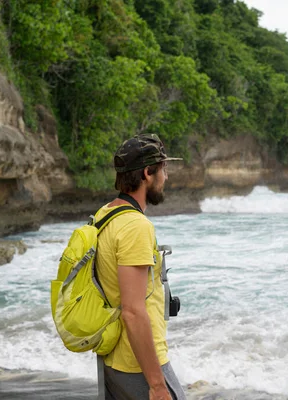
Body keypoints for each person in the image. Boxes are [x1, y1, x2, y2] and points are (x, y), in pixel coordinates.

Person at [94, 134, 187, 400]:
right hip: (138, 364)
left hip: (113, 358)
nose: (166, 177)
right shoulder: (136, 226)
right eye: (163, 170)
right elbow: (133, 312)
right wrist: (157, 385)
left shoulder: (105, 215)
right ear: (148, 173)